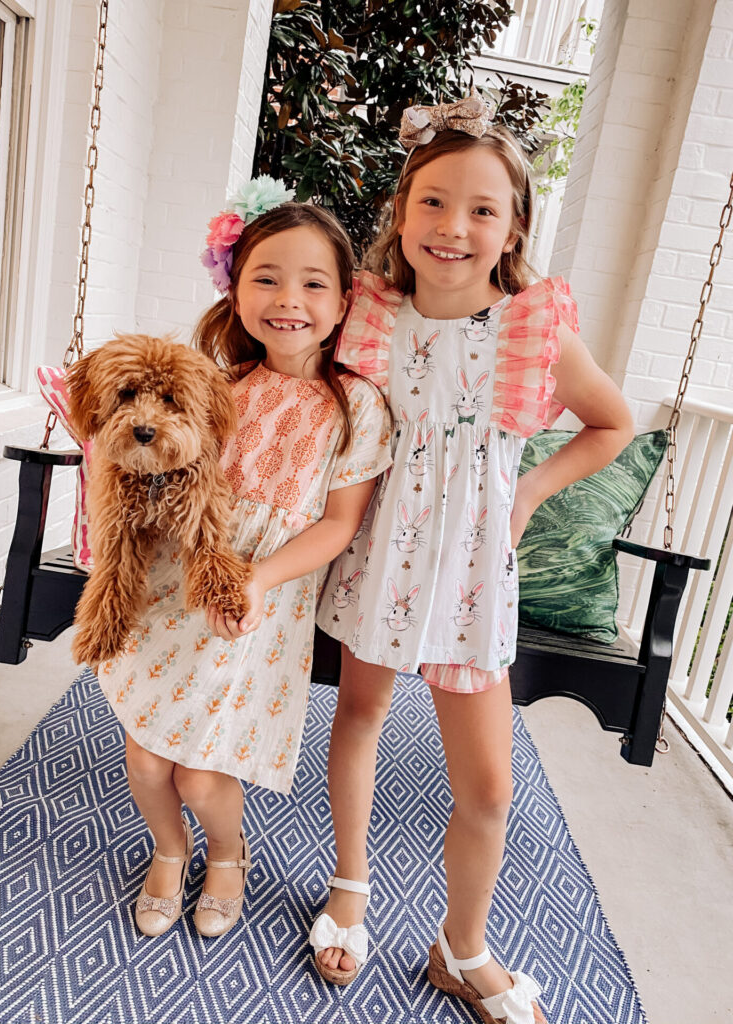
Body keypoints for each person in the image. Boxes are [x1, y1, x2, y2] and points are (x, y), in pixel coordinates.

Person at [310, 97, 634, 1022]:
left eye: (482, 209)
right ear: (402, 214)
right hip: (378, 555)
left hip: (473, 579)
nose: (454, 227)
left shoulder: (531, 332)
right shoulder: (367, 317)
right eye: (434, 203)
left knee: (488, 784)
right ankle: (350, 887)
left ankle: (463, 945)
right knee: (362, 711)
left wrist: (528, 493)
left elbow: (612, 423)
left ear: (513, 226)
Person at [97, 179, 392, 939]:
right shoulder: (217, 384)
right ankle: (169, 849)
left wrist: (256, 577)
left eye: (312, 282)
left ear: (342, 300)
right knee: (147, 757)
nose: (287, 298)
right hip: (171, 590)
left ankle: (227, 854)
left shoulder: (357, 405)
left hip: (257, 606)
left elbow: (336, 526)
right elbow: (158, 464)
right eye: (265, 277)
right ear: (235, 292)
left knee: (200, 769)